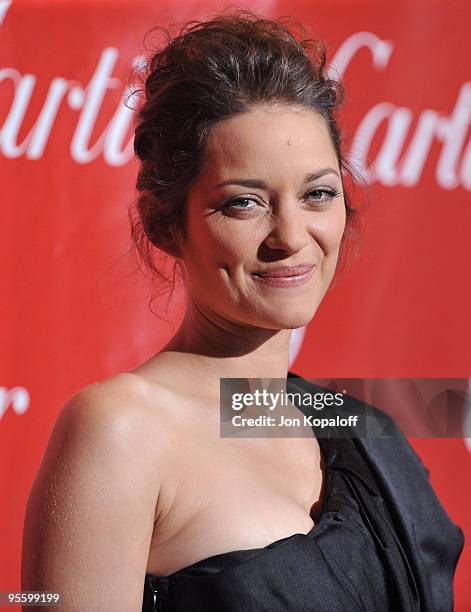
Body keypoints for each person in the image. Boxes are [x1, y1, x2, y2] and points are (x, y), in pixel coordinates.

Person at [22, 10, 464, 612]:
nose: (290, 235)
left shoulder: (352, 419)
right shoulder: (120, 428)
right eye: (244, 203)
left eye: (317, 194)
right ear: (163, 224)